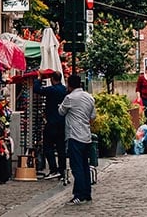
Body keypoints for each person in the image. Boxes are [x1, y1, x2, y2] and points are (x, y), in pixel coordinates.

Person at [58, 74, 96, 205]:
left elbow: (61, 112)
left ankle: (79, 194)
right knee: (85, 165)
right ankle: (87, 193)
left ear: (69, 85)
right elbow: (93, 116)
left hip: (74, 135)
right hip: (86, 135)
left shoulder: (69, 98)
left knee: (76, 167)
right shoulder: (89, 97)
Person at [33, 71, 67, 180]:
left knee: (48, 147)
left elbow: (37, 90)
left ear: (52, 79)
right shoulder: (65, 90)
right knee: (61, 148)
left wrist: (39, 78)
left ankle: (53, 169)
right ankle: (62, 171)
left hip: (52, 123)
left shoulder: (51, 90)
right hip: (62, 123)